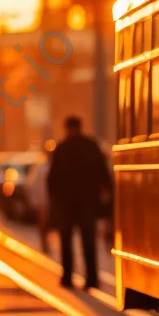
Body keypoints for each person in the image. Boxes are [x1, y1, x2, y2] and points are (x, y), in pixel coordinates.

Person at [47, 116, 111, 290]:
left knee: (66, 242)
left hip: (66, 204)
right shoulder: (91, 147)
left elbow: (52, 179)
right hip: (87, 203)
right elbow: (104, 174)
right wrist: (107, 199)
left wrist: (53, 203)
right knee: (88, 242)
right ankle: (92, 279)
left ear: (67, 128)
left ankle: (67, 277)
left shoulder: (61, 148)